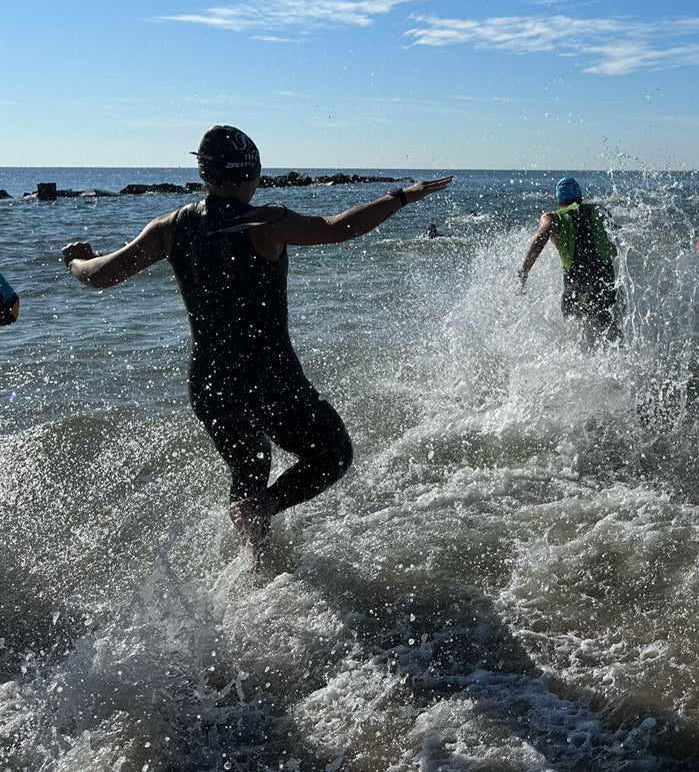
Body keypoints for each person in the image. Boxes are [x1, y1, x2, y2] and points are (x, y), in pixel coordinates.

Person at [60, 125, 451, 564]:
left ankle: (257, 564)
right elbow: (341, 227)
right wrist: (401, 197)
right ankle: (260, 510)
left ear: (204, 173)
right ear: (254, 174)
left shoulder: (170, 227)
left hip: (210, 382)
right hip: (268, 375)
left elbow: (100, 275)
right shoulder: (265, 222)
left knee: (250, 465)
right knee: (333, 453)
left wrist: (75, 258)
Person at [518, 177, 620, 342]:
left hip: (575, 288)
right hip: (605, 284)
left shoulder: (553, 217)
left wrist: (523, 272)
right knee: (611, 335)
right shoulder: (601, 211)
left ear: (560, 202)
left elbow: (541, 235)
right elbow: (615, 246)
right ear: (581, 198)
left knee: (577, 340)